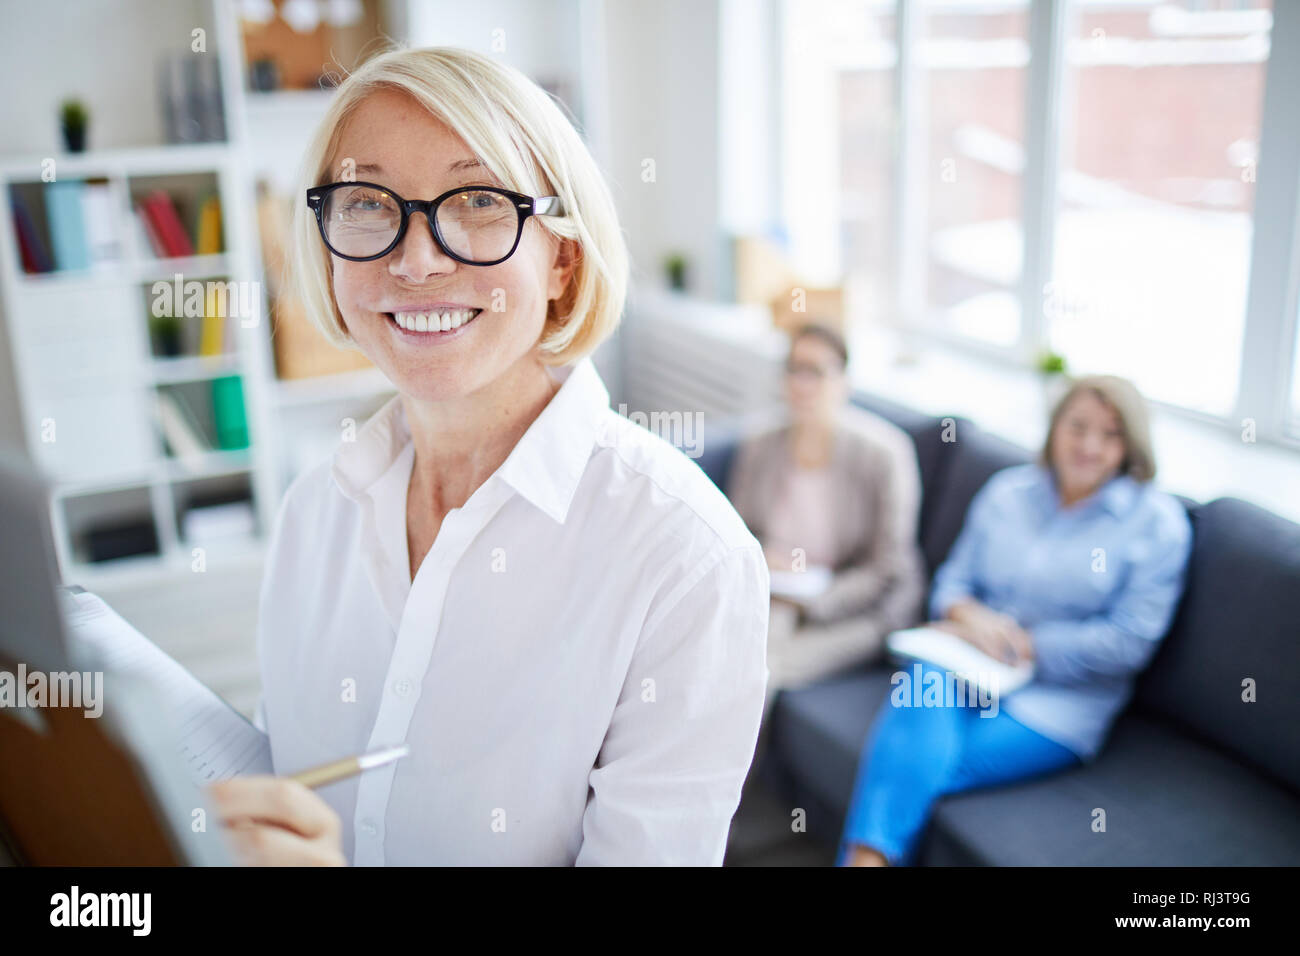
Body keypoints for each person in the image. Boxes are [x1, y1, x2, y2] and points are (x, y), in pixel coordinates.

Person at [208, 46, 770, 866]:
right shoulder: (312, 511)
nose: (416, 259)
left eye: (475, 200)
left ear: (562, 261)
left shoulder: (687, 561)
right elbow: (290, 770)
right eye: (368, 203)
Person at [837, 374, 1193, 866]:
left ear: (1131, 445)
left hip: (1056, 704)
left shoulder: (1158, 525)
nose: (1089, 445)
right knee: (924, 692)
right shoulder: (1008, 492)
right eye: (1078, 426)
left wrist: (1025, 644)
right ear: (1055, 427)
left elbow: (1129, 642)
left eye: (1110, 435)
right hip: (963, 669)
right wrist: (973, 619)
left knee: (910, 757)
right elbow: (952, 584)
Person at [726, 323, 925, 730]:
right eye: (794, 369)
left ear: (844, 381)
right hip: (778, 595)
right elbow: (735, 534)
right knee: (722, 656)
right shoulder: (760, 444)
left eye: (816, 371)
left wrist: (814, 598)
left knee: (759, 668)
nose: (802, 383)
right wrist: (763, 559)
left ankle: (724, 792)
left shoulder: (885, 454)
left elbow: (888, 567)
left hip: (859, 608)